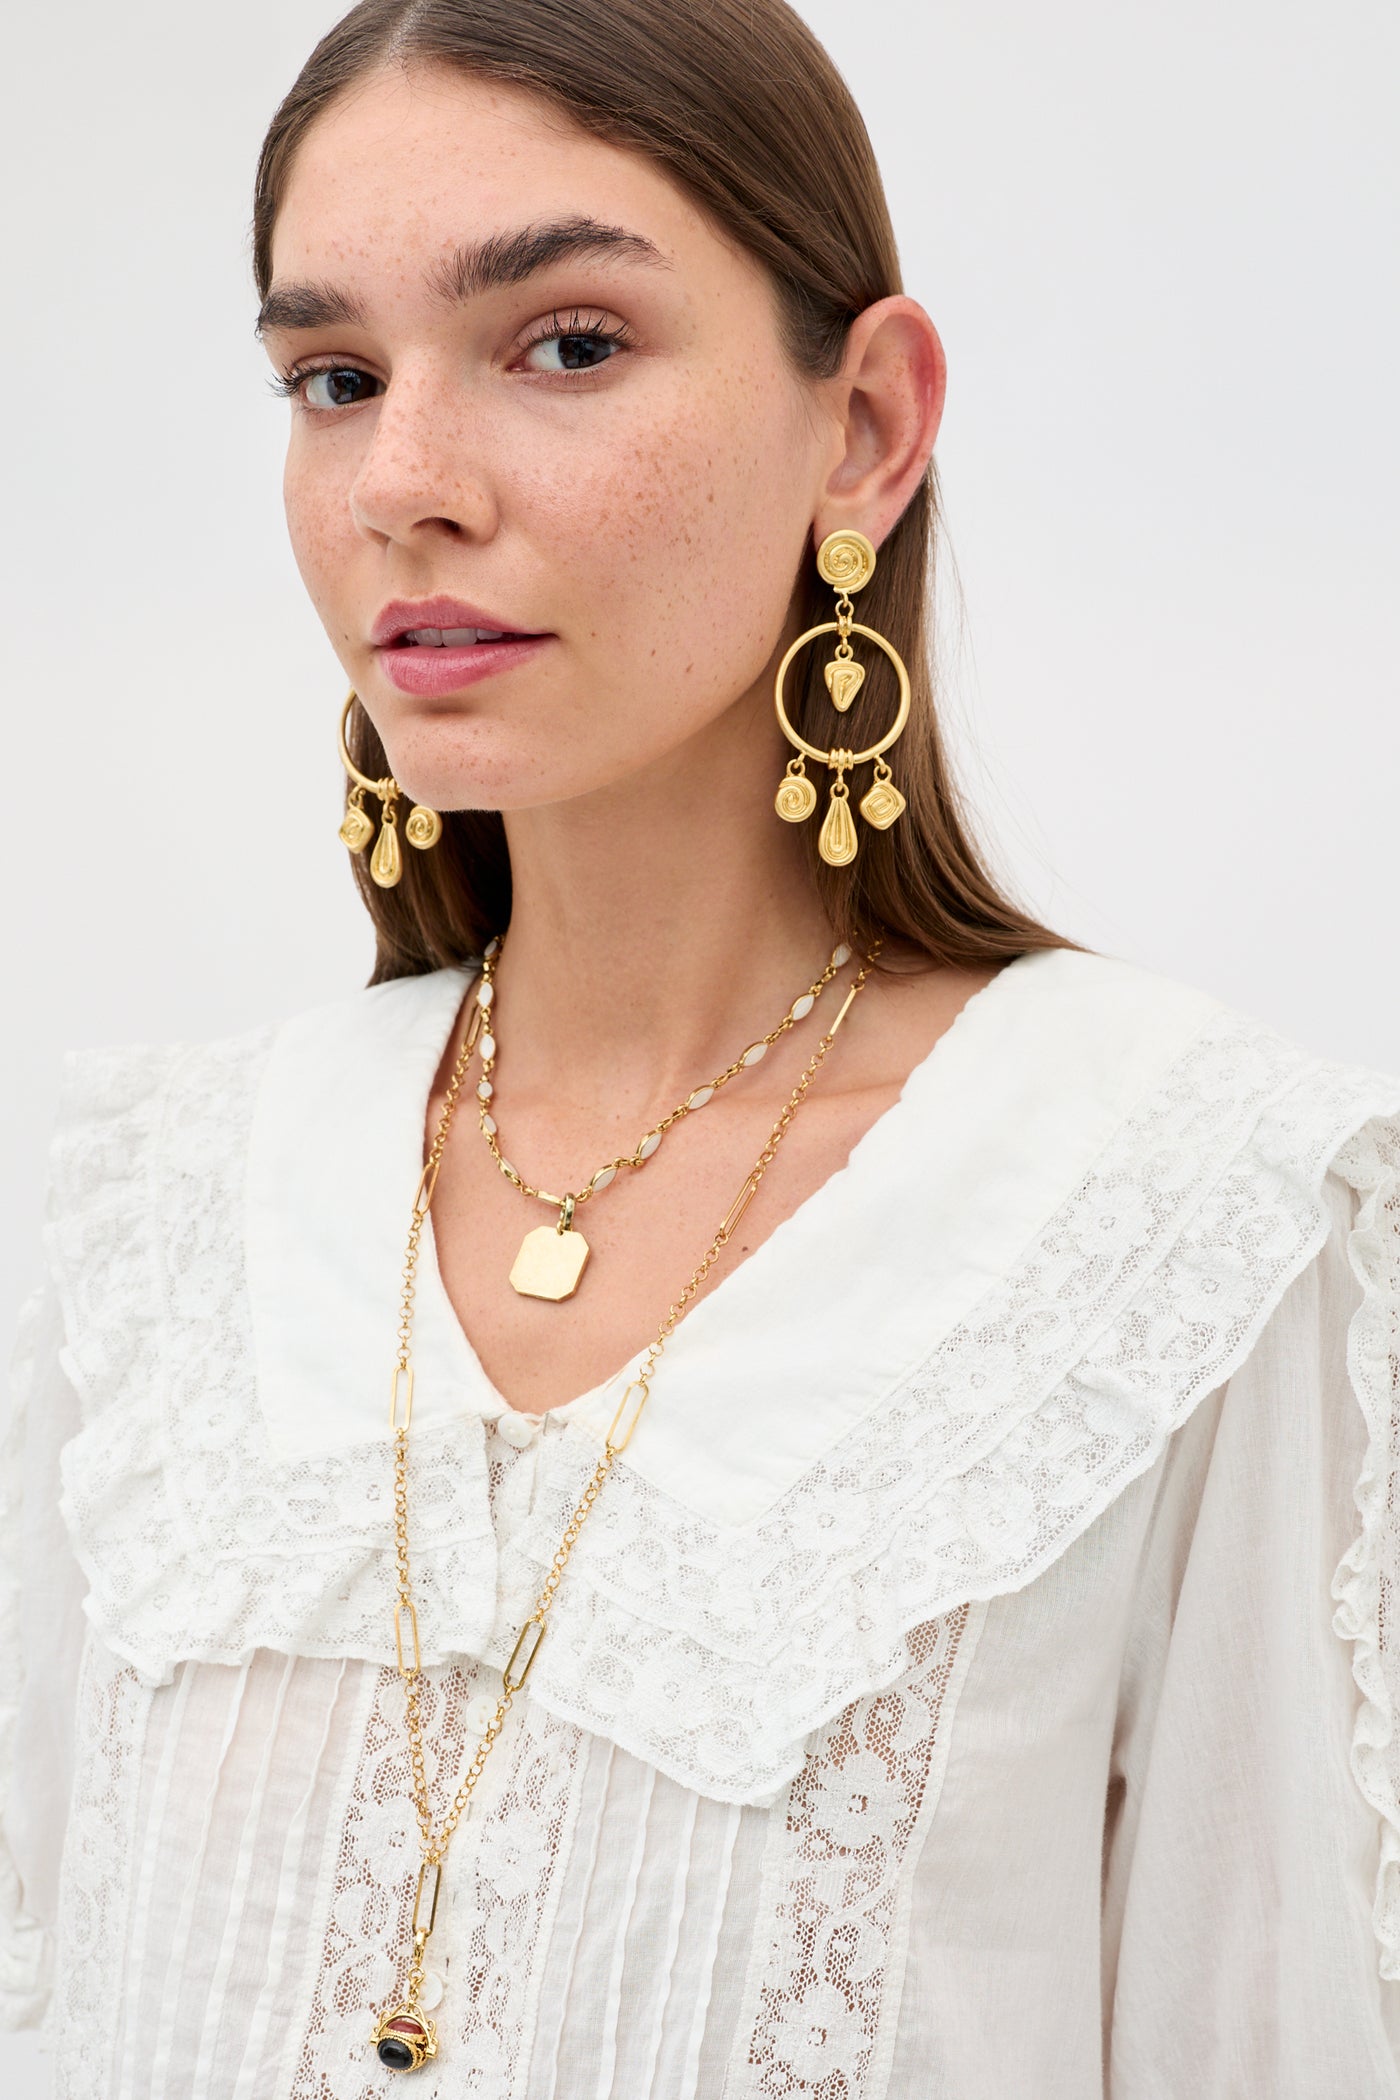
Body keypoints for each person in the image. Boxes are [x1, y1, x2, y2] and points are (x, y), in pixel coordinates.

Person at [4, 1, 1399, 2093]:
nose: (402, 483)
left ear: (864, 427)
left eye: (566, 344)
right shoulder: (138, 1219)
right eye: (332, 378)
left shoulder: (1185, 1220)